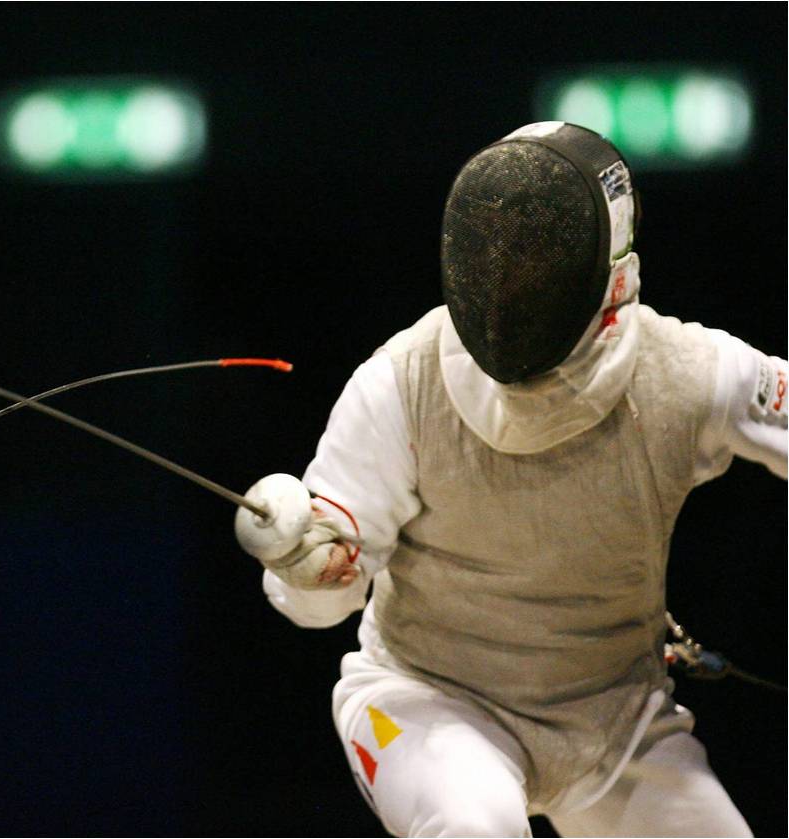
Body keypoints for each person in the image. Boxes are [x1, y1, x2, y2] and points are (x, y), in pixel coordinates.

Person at [235, 122, 786, 837]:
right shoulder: (405, 383)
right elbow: (315, 604)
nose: (508, 277)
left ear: (605, 268)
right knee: (475, 826)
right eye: (497, 250)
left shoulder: (684, 376)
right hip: (423, 702)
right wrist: (310, 569)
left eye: (536, 251)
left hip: (615, 727)